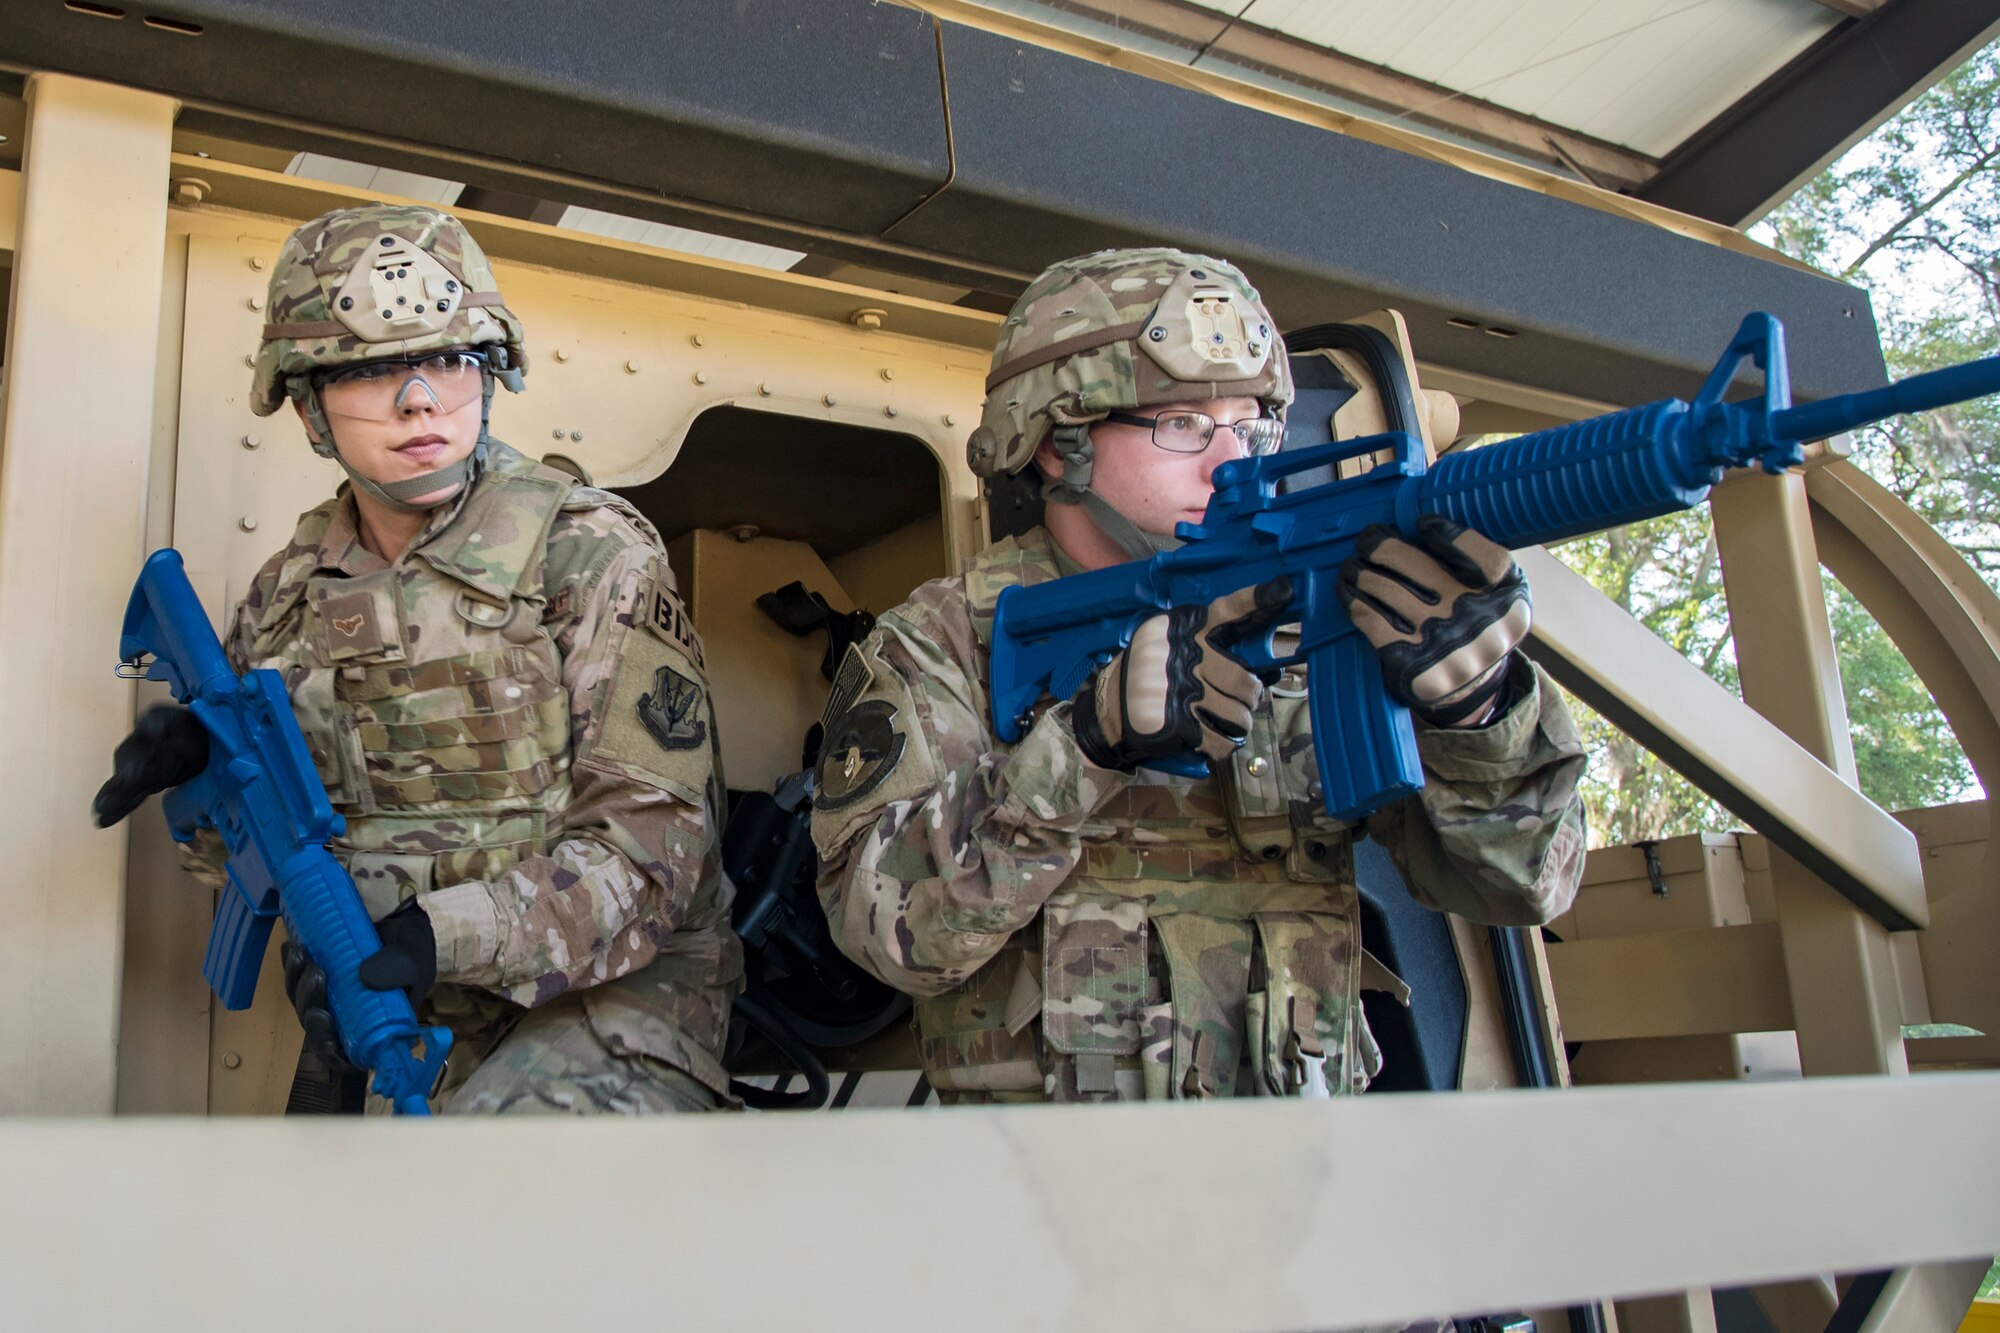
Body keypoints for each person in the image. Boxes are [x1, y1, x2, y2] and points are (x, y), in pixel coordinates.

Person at [810, 248, 1587, 1104]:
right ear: (1056, 442)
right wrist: (1087, 745)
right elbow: (881, 933)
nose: (1230, 461)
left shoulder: (1314, 617)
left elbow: (1528, 885)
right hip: (1043, 1191)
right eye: (1180, 421)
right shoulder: (948, 638)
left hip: (1298, 1175)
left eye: (1251, 422)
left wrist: (1479, 717)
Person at [95, 204, 740, 1114]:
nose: (420, 400)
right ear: (309, 405)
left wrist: (432, 936)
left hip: (612, 1000)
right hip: (396, 1007)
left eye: (448, 360)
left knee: (482, 1204)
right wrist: (208, 776)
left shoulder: (584, 551)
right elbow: (246, 856)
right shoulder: (287, 599)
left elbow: (653, 863)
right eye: (369, 370)